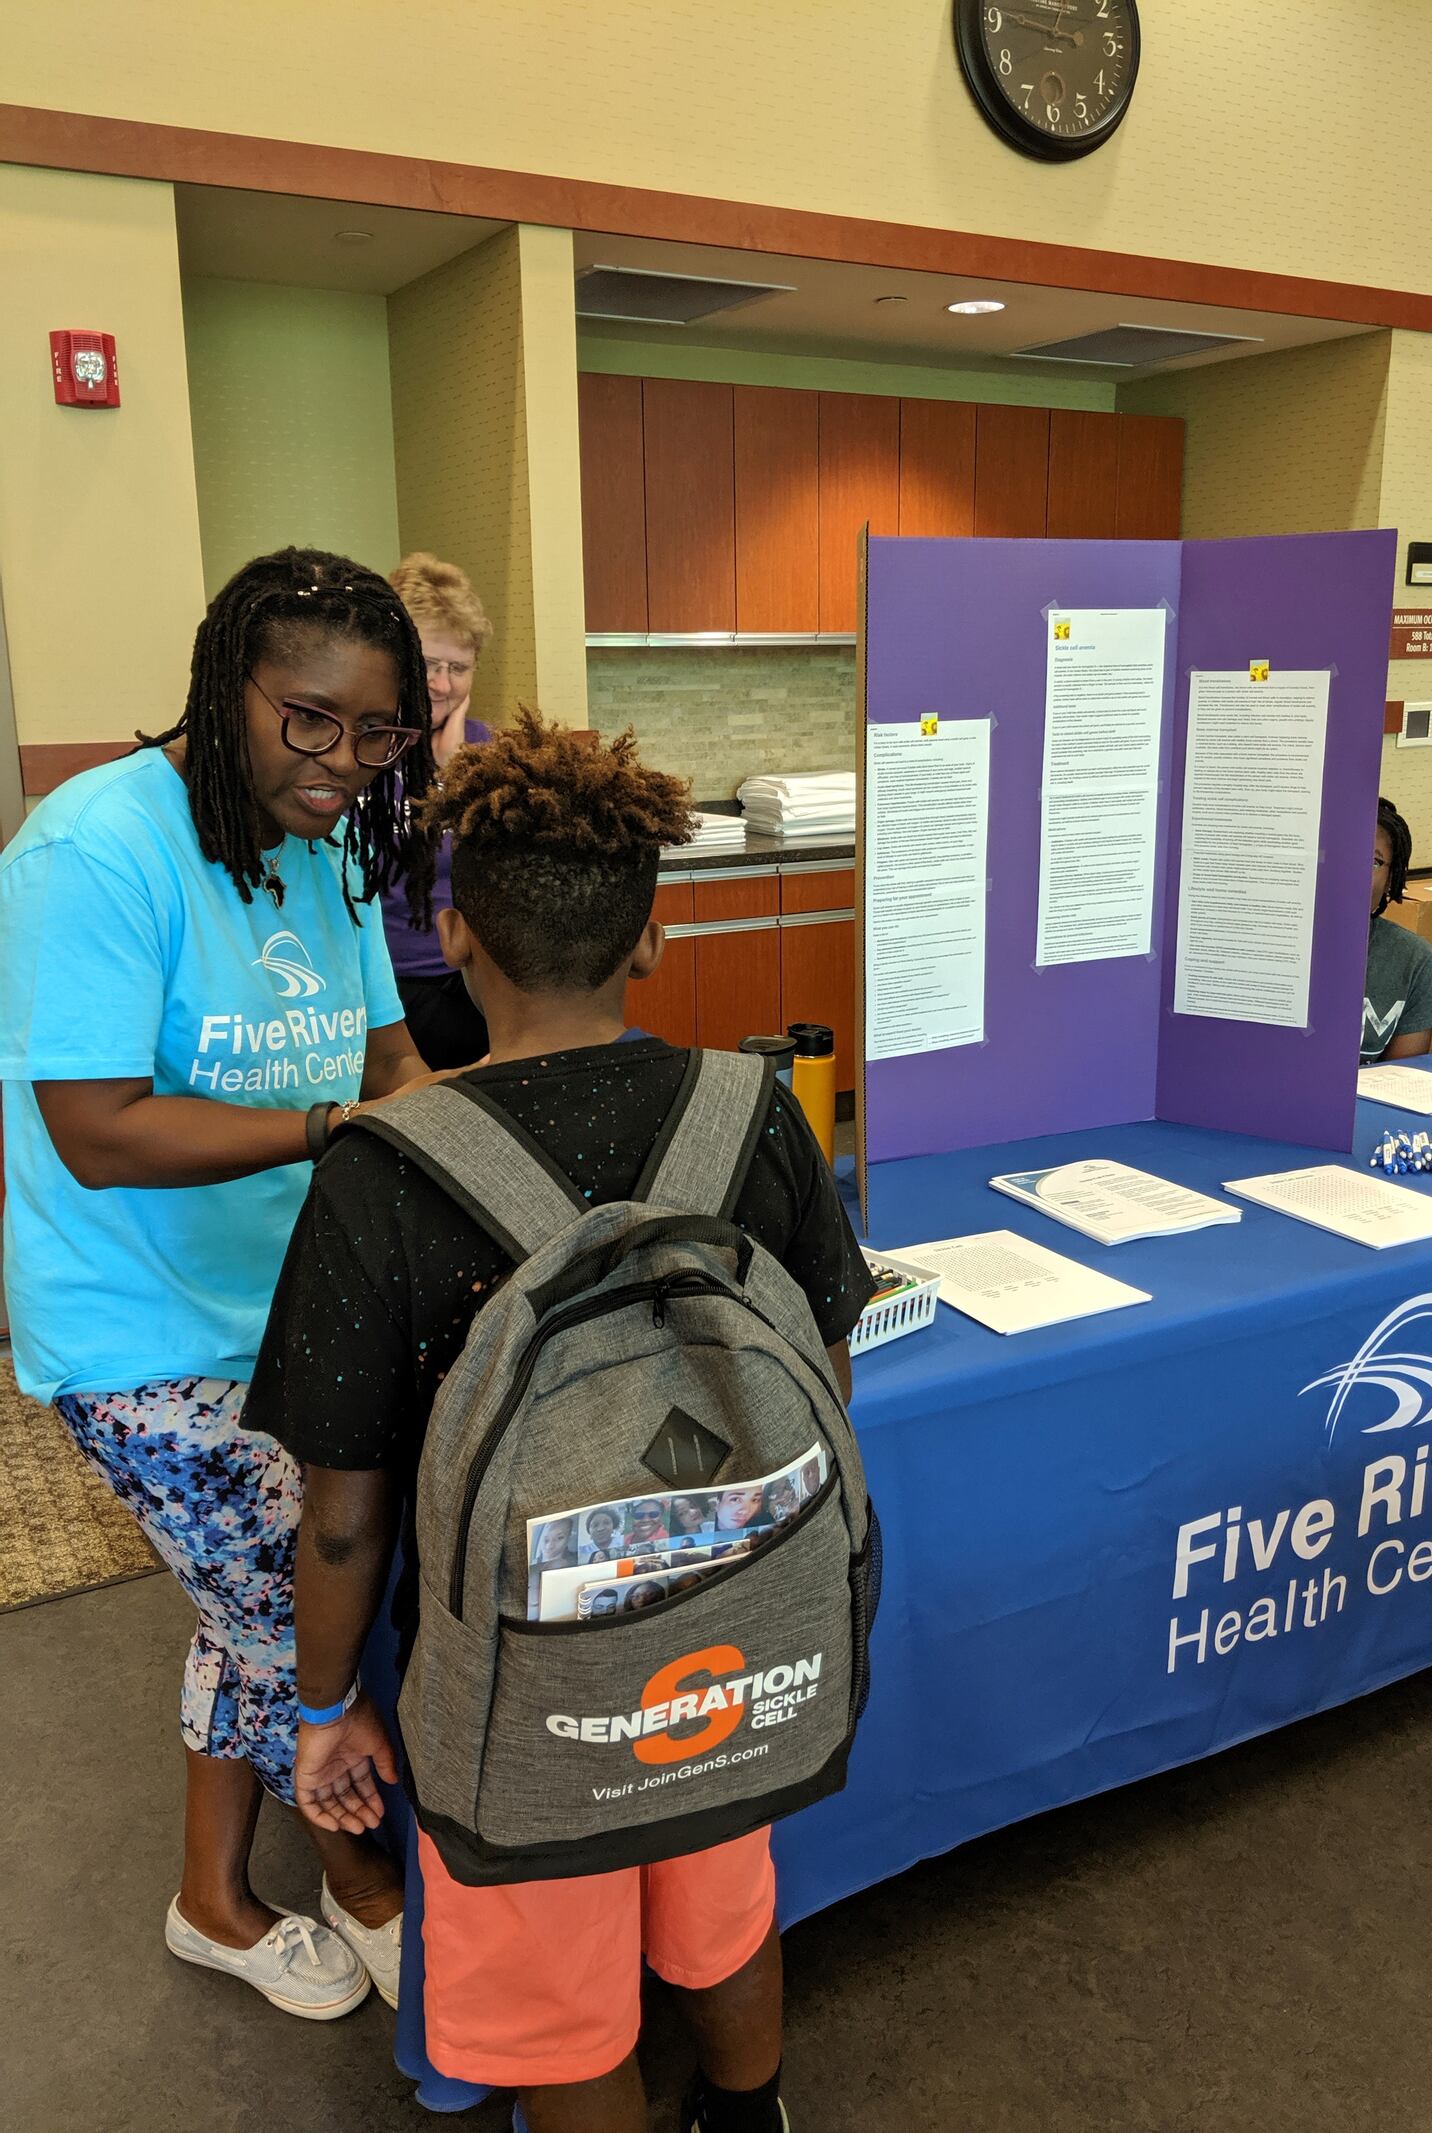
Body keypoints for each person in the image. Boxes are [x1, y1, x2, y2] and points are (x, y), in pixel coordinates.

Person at [248, 708, 876, 2133]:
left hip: (515, 1670)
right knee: (724, 1897)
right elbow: (824, 1374)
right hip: (732, 1628)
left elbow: (344, 1517)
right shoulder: (754, 1111)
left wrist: (326, 1706)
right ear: (654, 940)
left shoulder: (380, 1173)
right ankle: (748, 2111)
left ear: (456, 935)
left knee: (549, 1980)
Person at [0, 547, 438, 2018]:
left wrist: (457, 1142)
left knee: (242, 1608)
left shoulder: (326, 846)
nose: (343, 764)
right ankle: (375, 1893)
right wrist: (332, 1131)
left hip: (288, 1306)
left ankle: (211, 1900)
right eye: (309, 719)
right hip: (134, 1330)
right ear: (222, 683)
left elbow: (390, 1061)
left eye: (379, 734)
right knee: (293, 1615)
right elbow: (97, 1127)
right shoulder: (93, 854)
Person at [380, 553, 494, 1069]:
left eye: (458, 668)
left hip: (474, 982)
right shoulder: (355, 750)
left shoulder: (487, 753)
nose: (443, 685)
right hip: (383, 989)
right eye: (427, 664)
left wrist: (455, 774)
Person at [1363, 796, 1432, 1062]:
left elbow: (1401, 1076)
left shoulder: (1412, 958)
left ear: (1391, 879)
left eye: (1373, 862)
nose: (1353, 870)